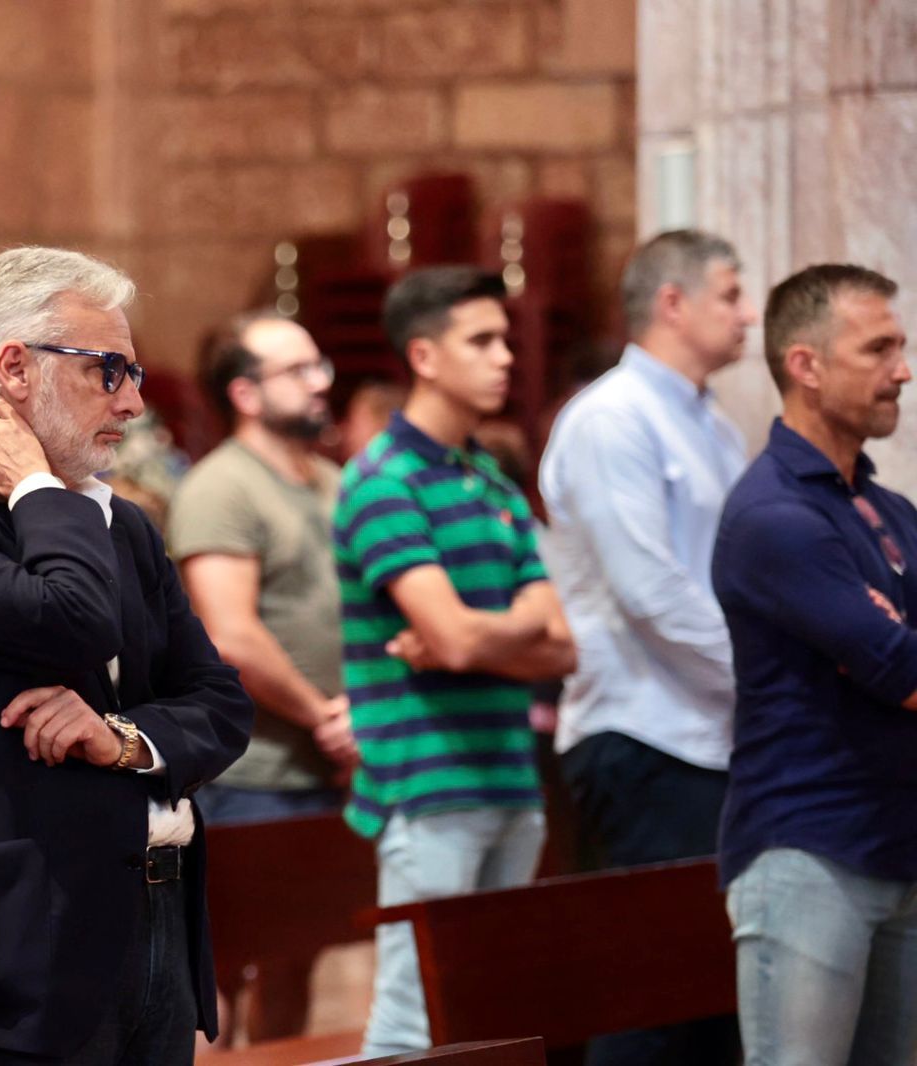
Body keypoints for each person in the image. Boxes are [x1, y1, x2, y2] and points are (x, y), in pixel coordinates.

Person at [0, 245, 253, 1064]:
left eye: (134, 373)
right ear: (14, 367)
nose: (135, 403)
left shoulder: (124, 524)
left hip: (156, 917)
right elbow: (76, 622)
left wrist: (120, 739)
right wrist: (38, 489)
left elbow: (220, 705)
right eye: (108, 371)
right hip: (17, 948)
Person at [333, 265, 576, 1058]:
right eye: (482, 340)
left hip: (509, 772)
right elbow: (475, 635)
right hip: (428, 782)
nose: (505, 356)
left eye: (505, 338)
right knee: (410, 1026)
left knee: (493, 1014)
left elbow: (563, 644)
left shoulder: (493, 481)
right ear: (425, 356)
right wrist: (490, 634)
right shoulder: (382, 482)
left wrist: (466, 639)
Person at [539, 229, 753, 1065]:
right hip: (642, 733)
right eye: (730, 294)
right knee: (655, 1000)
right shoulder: (612, 418)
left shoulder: (712, 421)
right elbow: (651, 591)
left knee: (714, 999)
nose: (747, 314)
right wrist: (770, 681)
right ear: (673, 303)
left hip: (716, 730)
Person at [713, 264, 917, 1066]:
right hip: (809, 849)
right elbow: (901, 669)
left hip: (898, 841)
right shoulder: (775, 515)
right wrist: (893, 649)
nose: (902, 369)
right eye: (879, 349)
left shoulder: (884, 508)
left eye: (899, 347)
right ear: (806, 365)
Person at [168, 310, 356, 1041]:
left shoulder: (335, 483)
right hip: (252, 770)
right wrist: (323, 715)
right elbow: (232, 633)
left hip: (326, 767)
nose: (320, 383)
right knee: (226, 970)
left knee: (297, 962)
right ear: (245, 393)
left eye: (321, 366)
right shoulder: (223, 487)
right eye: (298, 370)